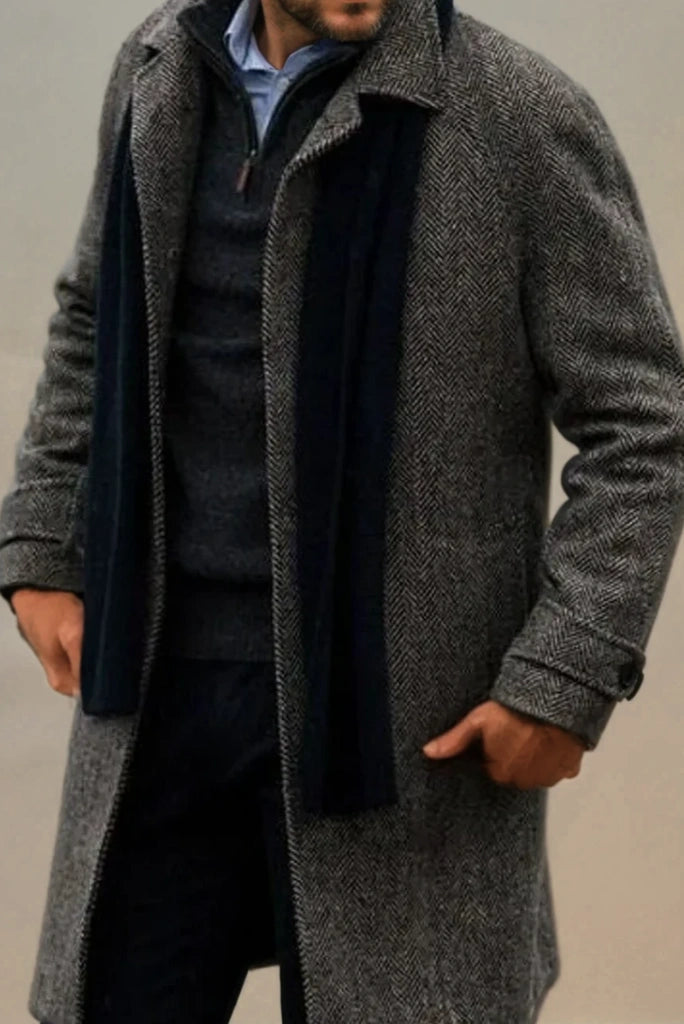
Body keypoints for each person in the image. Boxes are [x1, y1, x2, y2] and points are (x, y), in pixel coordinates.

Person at [2, 0, 683, 1021]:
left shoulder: (521, 116)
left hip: (395, 734)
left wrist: (567, 674)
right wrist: (42, 545)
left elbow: (644, 420)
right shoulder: (159, 71)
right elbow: (94, 317)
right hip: (159, 698)